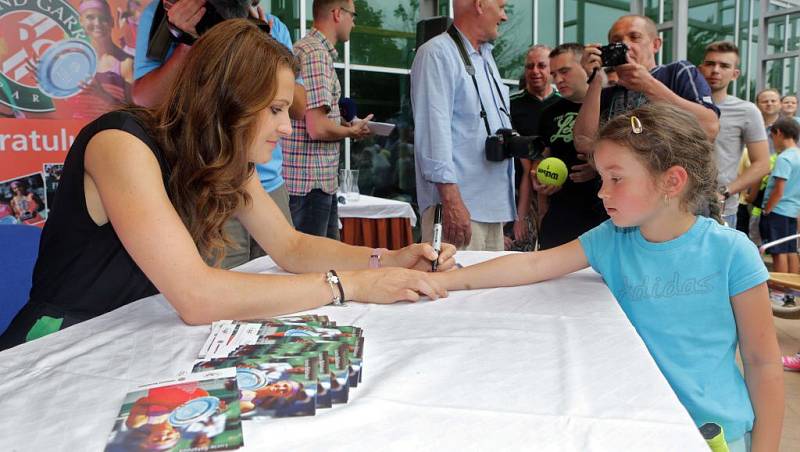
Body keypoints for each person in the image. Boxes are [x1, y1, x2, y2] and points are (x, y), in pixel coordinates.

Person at [0, 20, 456, 351]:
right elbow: (197, 297)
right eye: (276, 110)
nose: (287, 128)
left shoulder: (226, 158)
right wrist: (348, 285)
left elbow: (291, 247)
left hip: (131, 334)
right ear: (229, 101)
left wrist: (386, 258)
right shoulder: (121, 143)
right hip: (58, 341)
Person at [432, 103, 784, 452]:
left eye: (616, 179)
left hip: (714, 435)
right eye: (603, 179)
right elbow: (532, 265)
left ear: (672, 181)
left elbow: (762, 361)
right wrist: (444, 280)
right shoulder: (610, 239)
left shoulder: (732, 253)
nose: (602, 192)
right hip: (630, 427)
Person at [134, 0, 305, 266]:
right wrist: (187, 43)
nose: (286, 128)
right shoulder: (166, 15)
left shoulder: (273, 26)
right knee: (222, 279)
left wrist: (263, 52)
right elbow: (145, 100)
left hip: (268, 182)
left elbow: (299, 107)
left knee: (282, 272)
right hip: (209, 179)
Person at [411, 0, 513, 251]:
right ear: (479, 5)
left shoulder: (487, 58)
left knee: (490, 291)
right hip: (459, 209)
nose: (505, 17)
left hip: (491, 209)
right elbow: (434, 132)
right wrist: (452, 202)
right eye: (501, 7)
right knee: (455, 290)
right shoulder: (437, 53)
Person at [283, 0, 373, 239]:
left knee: (322, 267)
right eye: (353, 15)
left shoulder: (311, 50)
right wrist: (351, 132)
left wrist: (344, 125)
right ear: (337, 13)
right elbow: (317, 128)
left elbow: (312, 119)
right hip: (310, 185)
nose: (354, 22)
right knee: (315, 270)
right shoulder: (315, 53)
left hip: (313, 183)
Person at [573, 14, 719, 156]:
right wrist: (595, 81)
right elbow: (584, 143)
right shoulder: (607, 92)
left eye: (634, 37)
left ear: (656, 45)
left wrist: (649, 85)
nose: (625, 45)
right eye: (616, 41)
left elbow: (710, 128)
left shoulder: (677, 72)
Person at [533, 43, 607, 249]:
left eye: (564, 71)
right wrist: (538, 178)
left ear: (586, 66)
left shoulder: (612, 102)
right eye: (554, 74)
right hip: (560, 215)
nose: (558, 80)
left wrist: (597, 167)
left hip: (601, 214)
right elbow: (541, 157)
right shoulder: (548, 113)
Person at [698, 41, 770, 228]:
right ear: (700, 68)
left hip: (721, 211)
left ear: (735, 74)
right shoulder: (682, 105)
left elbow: (762, 164)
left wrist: (725, 191)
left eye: (724, 66)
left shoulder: (747, 111)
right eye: (710, 64)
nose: (715, 70)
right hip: (677, 206)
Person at [508, 44, 559, 251]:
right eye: (529, 66)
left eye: (541, 65)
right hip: (516, 195)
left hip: (553, 191)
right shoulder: (510, 104)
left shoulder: (562, 104)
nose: (535, 71)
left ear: (551, 69)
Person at [68, 0, 134, 119]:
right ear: (81, 21)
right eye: (90, 17)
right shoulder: (73, 61)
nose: (97, 23)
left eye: (103, 18)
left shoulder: (126, 63)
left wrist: (102, 95)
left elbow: (135, 113)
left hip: (111, 134)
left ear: (112, 22)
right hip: (76, 135)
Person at [760, 118, 800, 274]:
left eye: (773, 136)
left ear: (779, 133)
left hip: (778, 210)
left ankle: (779, 291)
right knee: (791, 250)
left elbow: (779, 190)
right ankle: (791, 290)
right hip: (792, 210)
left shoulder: (784, 158)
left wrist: (767, 210)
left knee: (778, 251)